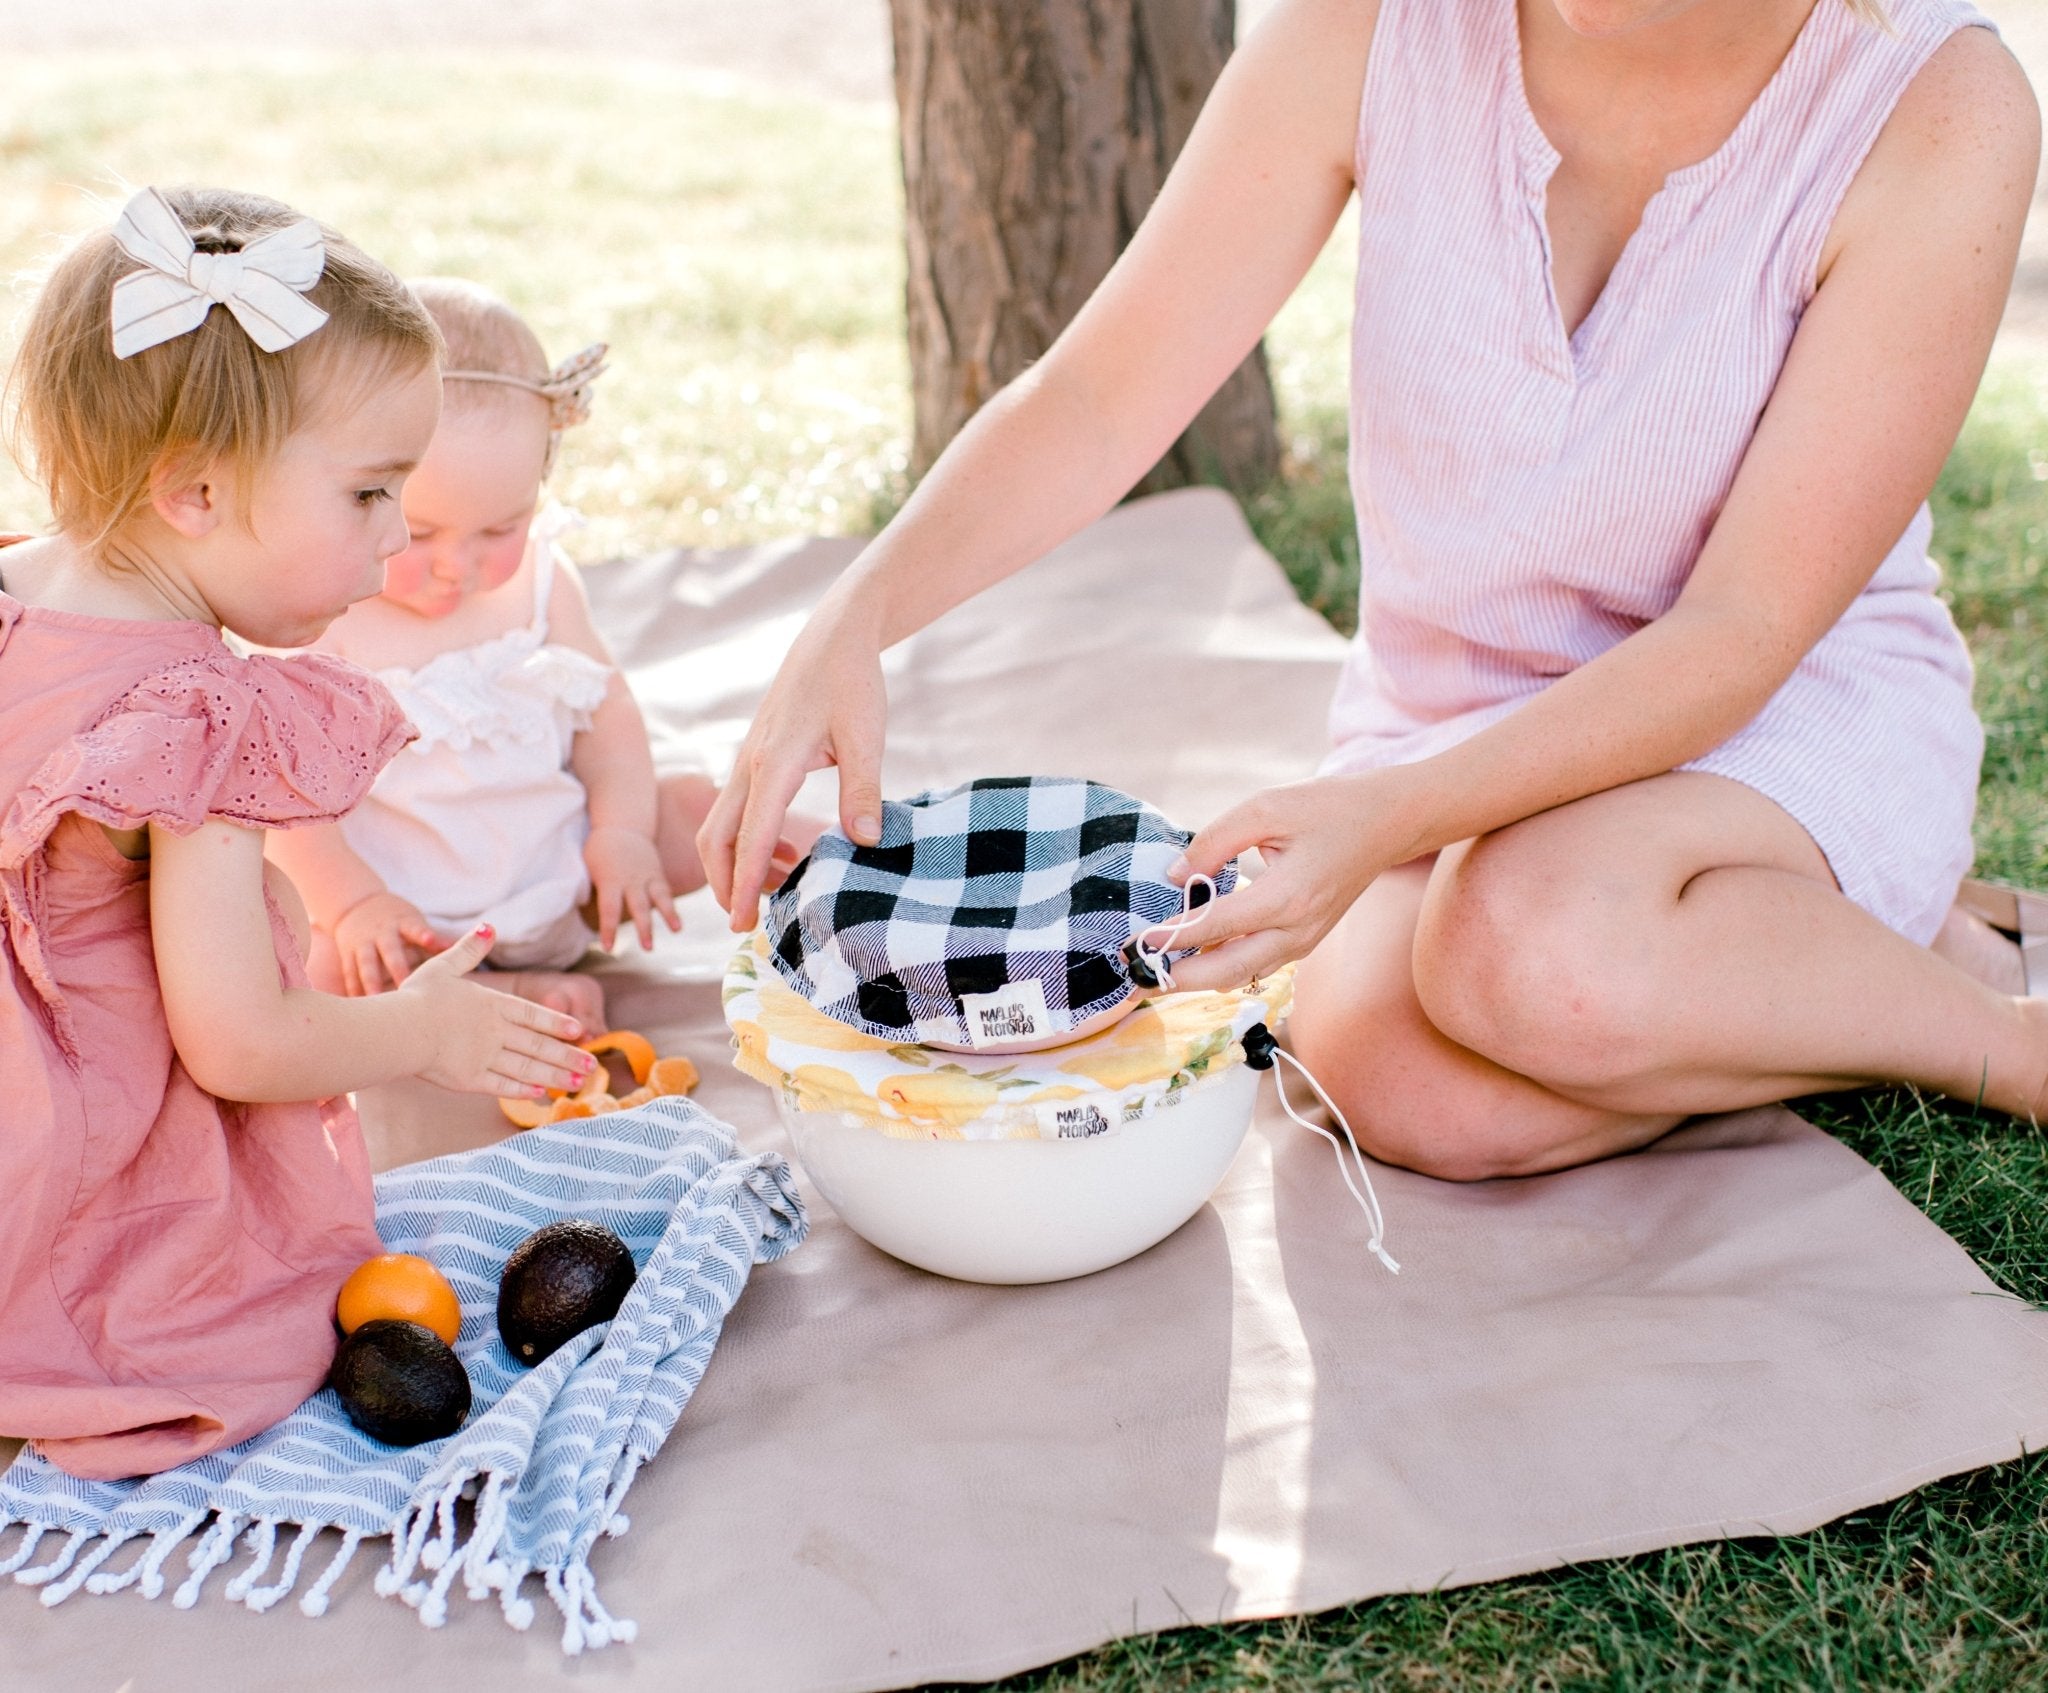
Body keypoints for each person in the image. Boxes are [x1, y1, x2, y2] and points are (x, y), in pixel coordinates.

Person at [700, 0, 2046, 1179]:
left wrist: (1381, 816)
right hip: (1458, 718)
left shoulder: (1940, 107)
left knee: (1528, 943)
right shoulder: (1372, 27)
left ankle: (1994, 1034)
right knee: (1374, 1072)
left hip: (1778, 709)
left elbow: (1743, 630)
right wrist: (858, 613)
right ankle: (1769, 965)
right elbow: (1101, 398)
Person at [0, 188, 594, 1479]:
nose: (393, 547)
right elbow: (240, 1038)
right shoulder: (195, 717)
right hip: (59, 1164)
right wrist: (425, 1031)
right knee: (246, 1319)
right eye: (373, 495)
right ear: (197, 492)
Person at [268, 279, 743, 1032]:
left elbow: (606, 713)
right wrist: (354, 903)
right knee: (295, 960)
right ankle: (497, 998)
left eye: (501, 528)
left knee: (701, 809)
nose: (460, 564)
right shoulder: (319, 615)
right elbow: (286, 797)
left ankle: (851, 874)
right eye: (421, 534)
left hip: (569, 875)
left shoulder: (542, 583)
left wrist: (620, 832)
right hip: (407, 916)